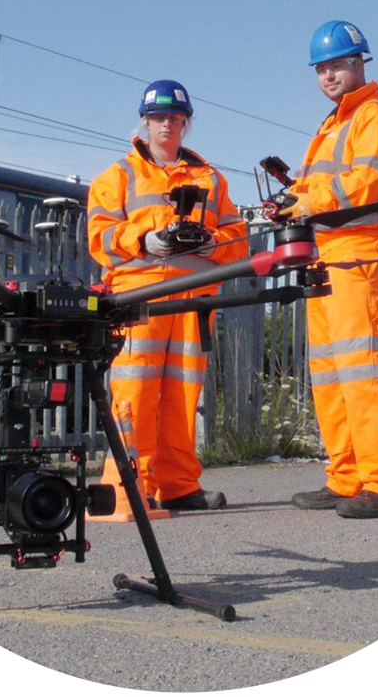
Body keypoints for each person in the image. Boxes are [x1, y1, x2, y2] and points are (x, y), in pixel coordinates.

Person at [87, 79, 248, 510]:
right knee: (134, 393)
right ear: (145, 122)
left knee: (182, 396)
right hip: (140, 298)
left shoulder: (211, 179)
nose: (167, 126)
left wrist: (210, 241)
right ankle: (126, 488)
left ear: (186, 124)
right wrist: (145, 240)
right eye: (159, 118)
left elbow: (238, 239)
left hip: (193, 301)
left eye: (175, 118)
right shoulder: (117, 177)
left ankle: (179, 486)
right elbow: (98, 237)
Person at [280, 20, 378, 518]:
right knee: (332, 372)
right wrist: (295, 199)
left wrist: (307, 199)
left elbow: (370, 183)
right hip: (328, 255)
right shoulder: (332, 126)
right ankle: (346, 477)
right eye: (321, 68)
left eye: (337, 64)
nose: (329, 75)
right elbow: (325, 189)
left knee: (364, 369)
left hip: (362, 253)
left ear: (360, 64)